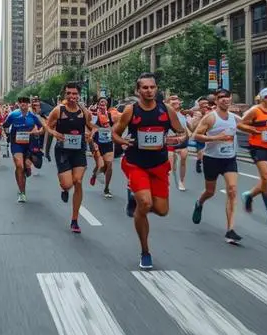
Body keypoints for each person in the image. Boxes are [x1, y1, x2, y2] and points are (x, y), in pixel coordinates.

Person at [112, 73, 187, 270]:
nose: (149, 91)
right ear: (138, 91)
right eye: (144, 88)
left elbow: (182, 132)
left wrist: (179, 138)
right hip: (136, 163)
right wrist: (124, 141)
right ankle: (145, 251)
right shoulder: (131, 110)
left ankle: (134, 199)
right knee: (145, 203)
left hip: (159, 164)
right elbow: (114, 133)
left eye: (152, 87)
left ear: (156, 88)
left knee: (162, 210)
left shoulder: (166, 109)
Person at [189, 88, 243, 244]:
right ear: (217, 101)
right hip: (211, 158)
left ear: (231, 99)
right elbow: (196, 135)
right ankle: (199, 202)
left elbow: (247, 126)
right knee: (210, 191)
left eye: (227, 97)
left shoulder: (235, 118)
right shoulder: (210, 118)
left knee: (232, 190)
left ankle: (230, 230)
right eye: (221, 98)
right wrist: (216, 138)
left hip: (229, 158)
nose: (225, 100)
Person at [43, 81, 95, 233]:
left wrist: (90, 135)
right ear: (65, 94)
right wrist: (54, 133)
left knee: (78, 181)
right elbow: (47, 125)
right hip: (63, 151)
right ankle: (64, 189)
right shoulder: (58, 110)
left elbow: (92, 127)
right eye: (69, 93)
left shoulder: (84, 111)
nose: (72, 96)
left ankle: (74, 220)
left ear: (79, 95)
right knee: (67, 184)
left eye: (75, 94)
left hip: (79, 149)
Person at [240, 88, 267, 227]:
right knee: (266, 177)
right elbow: (240, 124)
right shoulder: (255, 111)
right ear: (262, 98)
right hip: (258, 147)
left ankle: (249, 195)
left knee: (265, 180)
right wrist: (252, 130)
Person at [3, 97, 44, 203]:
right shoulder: (13, 115)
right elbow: (5, 125)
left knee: (25, 167)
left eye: (25, 103)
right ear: (18, 104)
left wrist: (38, 132)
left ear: (28, 104)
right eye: (21, 103)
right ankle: (22, 193)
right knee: (19, 166)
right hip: (16, 144)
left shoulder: (33, 116)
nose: (23, 105)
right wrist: (7, 135)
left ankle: (27, 168)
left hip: (30, 145)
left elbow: (42, 127)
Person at [89, 95, 118, 198]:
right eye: (101, 102)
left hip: (108, 143)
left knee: (109, 166)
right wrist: (92, 140)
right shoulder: (94, 115)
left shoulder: (111, 115)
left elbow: (116, 127)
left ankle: (106, 188)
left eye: (105, 103)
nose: (103, 104)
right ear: (98, 103)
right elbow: (91, 128)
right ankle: (94, 175)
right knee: (101, 165)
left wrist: (109, 126)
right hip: (97, 142)